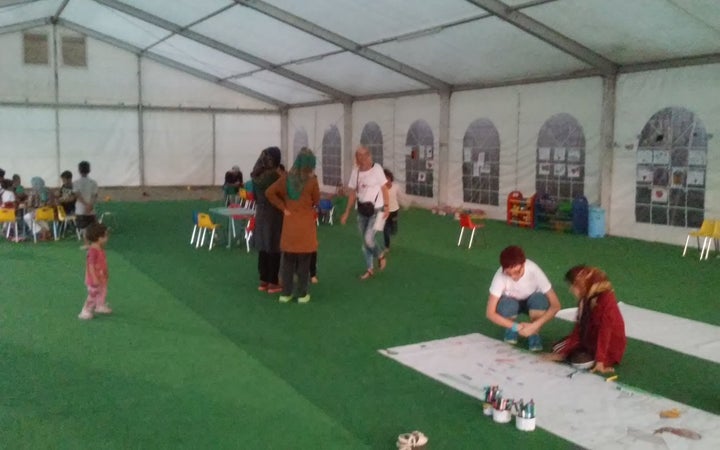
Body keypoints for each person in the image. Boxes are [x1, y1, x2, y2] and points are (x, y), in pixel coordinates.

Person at [544, 265, 626, 374]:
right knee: (558, 348)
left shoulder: (606, 299)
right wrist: (565, 350)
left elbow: (605, 331)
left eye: (572, 285)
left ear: (580, 284)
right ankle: (572, 353)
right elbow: (580, 326)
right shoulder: (585, 297)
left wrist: (600, 361)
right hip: (590, 337)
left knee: (579, 362)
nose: (571, 289)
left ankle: (587, 356)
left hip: (609, 345)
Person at [266, 148, 320, 303]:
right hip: (305, 226)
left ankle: (286, 293)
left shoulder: (286, 178)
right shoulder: (312, 181)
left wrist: (283, 207)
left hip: (289, 225)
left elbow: (270, 192)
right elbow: (316, 201)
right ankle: (302, 294)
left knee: (288, 261)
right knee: (304, 263)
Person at [486, 245, 561, 351]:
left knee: (539, 300)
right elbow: (490, 313)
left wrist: (535, 326)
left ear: (523, 264)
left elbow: (556, 305)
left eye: (517, 272)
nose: (513, 277)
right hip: (511, 301)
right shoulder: (499, 276)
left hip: (532, 300)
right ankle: (510, 329)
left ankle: (534, 333)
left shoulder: (534, 270)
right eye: (508, 273)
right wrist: (516, 327)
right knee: (507, 305)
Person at [340, 146, 390, 280]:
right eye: (358, 156)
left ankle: (380, 255)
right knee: (365, 242)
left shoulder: (377, 169)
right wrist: (346, 212)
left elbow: (384, 188)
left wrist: (387, 207)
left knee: (369, 239)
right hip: (362, 210)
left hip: (377, 209)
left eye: (363, 156)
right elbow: (352, 193)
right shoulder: (355, 172)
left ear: (369, 156)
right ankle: (369, 269)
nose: (361, 159)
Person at [251, 147, 283, 294]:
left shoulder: (256, 175)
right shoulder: (274, 176)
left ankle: (263, 280)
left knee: (263, 245)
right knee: (274, 246)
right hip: (274, 213)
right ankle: (273, 282)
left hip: (261, 212)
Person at [78, 222, 112, 320]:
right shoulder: (93, 251)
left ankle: (100, 305)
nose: (107, 238)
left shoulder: (99, 249)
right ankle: (86, 310)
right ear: (99, 238)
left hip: (101, 277)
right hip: (94, 279)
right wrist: (94, 278)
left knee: (102, 291)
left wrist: (105, 273)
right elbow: (91, 265)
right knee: (93, 294)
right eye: (105, 236)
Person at [73, 160, 99, 238]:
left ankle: (87, 244)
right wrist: (90, 205)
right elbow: (94, 196)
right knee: (92, 227)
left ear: (79, 170)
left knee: (83, 228)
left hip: (80, 209)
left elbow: (77, 195)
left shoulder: (76, 183)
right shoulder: (93, 182)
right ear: (89, 170)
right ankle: (91, 244)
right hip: (91, 209)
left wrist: (85, 204)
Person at [383, 169, 400, 251]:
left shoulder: (396, 187)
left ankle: (391, 229)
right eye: (384, 179)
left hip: (394, 211)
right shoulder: (382, 189)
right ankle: (387, 246)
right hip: (385, 211)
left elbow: (400, 196)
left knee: (393, 229)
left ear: (390, 178)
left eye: (387, 178)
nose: (386, 181)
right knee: (385, 229)